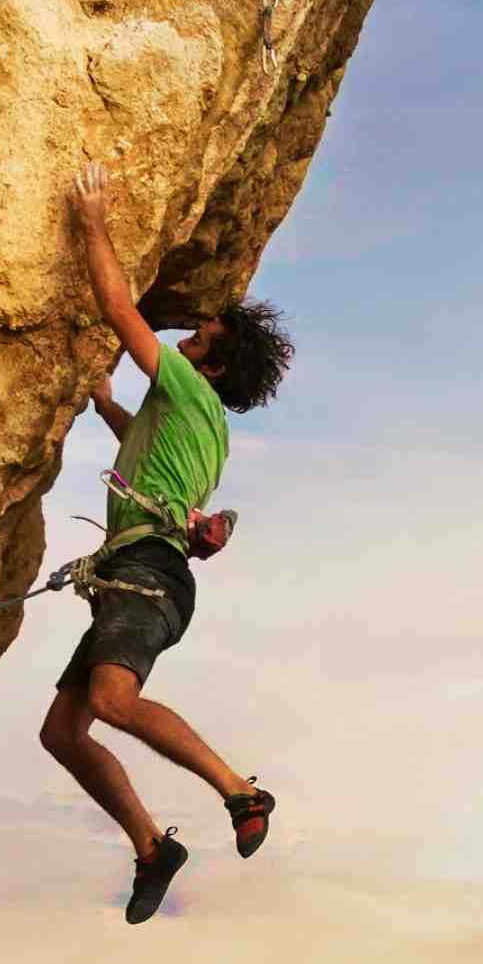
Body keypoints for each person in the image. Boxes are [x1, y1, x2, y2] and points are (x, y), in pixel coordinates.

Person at [39, 161, 291, 922]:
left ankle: (242, 792)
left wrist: (92, 222)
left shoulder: (189, 389)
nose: (186, 334)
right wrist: (109, 404)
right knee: (62, 733)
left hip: (149, 572)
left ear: (210, 364)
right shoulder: (202, 429)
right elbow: (144, 455)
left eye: (199, 335)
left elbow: (119, 308)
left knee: (113, 701)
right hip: (143, 573)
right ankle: (153, 847)